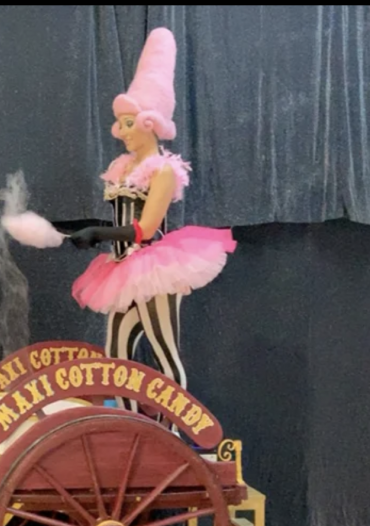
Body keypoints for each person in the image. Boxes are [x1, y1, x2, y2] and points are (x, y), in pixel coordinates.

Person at [68, 27, 236, 428]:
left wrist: (98, 234)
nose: (122, 131)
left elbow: (144, 229)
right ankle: (133, 431)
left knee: (164, 353)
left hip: (152, 266)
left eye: (129, 122)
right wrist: (97, 236)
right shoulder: (122, 168)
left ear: (149, 122)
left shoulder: (163, 171)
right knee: (116, 357)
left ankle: (172, 435)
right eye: (120, 123)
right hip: (120, 271)